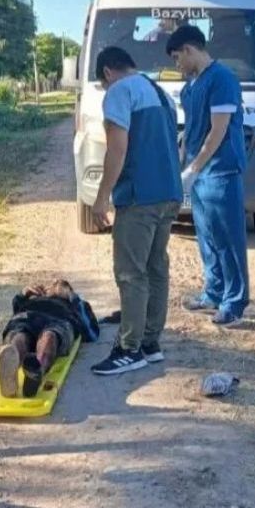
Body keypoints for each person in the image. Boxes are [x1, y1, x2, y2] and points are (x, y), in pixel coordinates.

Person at [89, 46, 183, 376]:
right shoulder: (160, 93)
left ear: (106, 73)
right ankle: (149, 342)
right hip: (169, 192)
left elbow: (117, 147)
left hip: (140, 196)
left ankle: (129, 348)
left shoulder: (119, 91)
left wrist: (101, 198)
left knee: (131, 272)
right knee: (156, 267)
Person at [166, 25, 249, 327]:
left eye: (177, 58)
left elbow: (218, 130)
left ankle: (234, 301)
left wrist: (195, 167)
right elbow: (191, 129)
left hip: (221, 170)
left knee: (228, 238)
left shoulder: (222, 79)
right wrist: (181, 165)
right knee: (207, 236)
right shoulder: (191, 87)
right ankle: (213, 292)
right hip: (200, 174)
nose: (177, 65)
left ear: (189, 49)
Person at [0, 280, 98, 397]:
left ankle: (36, 372)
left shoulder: (74, 303)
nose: (54, 287)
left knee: (49, 336)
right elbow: (16, 308)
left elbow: (92, 334)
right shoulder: (33, 298)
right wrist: (23, 293)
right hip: (27, 317)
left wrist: (73, 298)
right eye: (51, 286)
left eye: (60, 285)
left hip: (59, 320)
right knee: (20, 337)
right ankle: (10, 370)